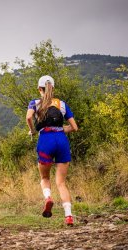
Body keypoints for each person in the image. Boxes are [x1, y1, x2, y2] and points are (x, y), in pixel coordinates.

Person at [26, 75, 79, 226]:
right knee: (61, 183)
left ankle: (48, 198)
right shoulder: (62, 104)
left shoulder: (35, 103)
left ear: (39, 89)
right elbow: (74, 128)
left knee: (45, 178)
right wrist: (60, 129)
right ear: (53, 88)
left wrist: (33, 131)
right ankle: (68, 216)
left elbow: (29, 118)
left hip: (45, 140)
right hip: (61, 140)